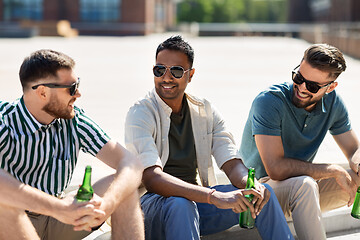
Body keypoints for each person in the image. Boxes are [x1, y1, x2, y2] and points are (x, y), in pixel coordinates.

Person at [125, 35, 294, 240]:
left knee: (261, 194)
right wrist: (214, 197)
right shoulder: (140, 113)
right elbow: (151, 178)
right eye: (159, 70)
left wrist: (249, 184)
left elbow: (231, 160)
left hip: (196, 203)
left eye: (176, 71)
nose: (166, 78)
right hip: (151, 208)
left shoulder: (204, 110)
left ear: (191, 74)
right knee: (181, 203)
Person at [0, 49, 144, 240]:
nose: (78, 94)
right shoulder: (4, 122)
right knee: (4, 205)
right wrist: (59, 208)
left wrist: (107, 203)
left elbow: (131, 163)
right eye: (71, 88)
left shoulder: (73, 120)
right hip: (16, 224)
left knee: (124, 185)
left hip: (61, 220)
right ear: (42, 92)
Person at [240, 44, 360, 240]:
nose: (302, 88)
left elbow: (354, 148)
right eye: (299, 78)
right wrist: (333, 170)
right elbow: (276, 169)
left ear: (331, 87)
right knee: (305, 185)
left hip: (301, 193)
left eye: (312, 86)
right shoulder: (269, 102)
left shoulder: (333, 103)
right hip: (257, 193)